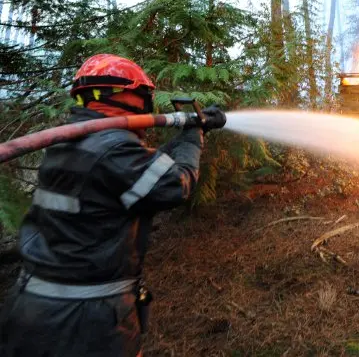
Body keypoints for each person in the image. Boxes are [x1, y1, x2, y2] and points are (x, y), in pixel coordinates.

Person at [0, 54, 226, 357]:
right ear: (123, 96)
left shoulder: (69, 141)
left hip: (31, 307)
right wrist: (193, 136)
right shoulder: (113, 148)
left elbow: (139, 173)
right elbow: (175, 185)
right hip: (81, 323)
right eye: (143, 95)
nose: (147, 103)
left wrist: (189, 135)